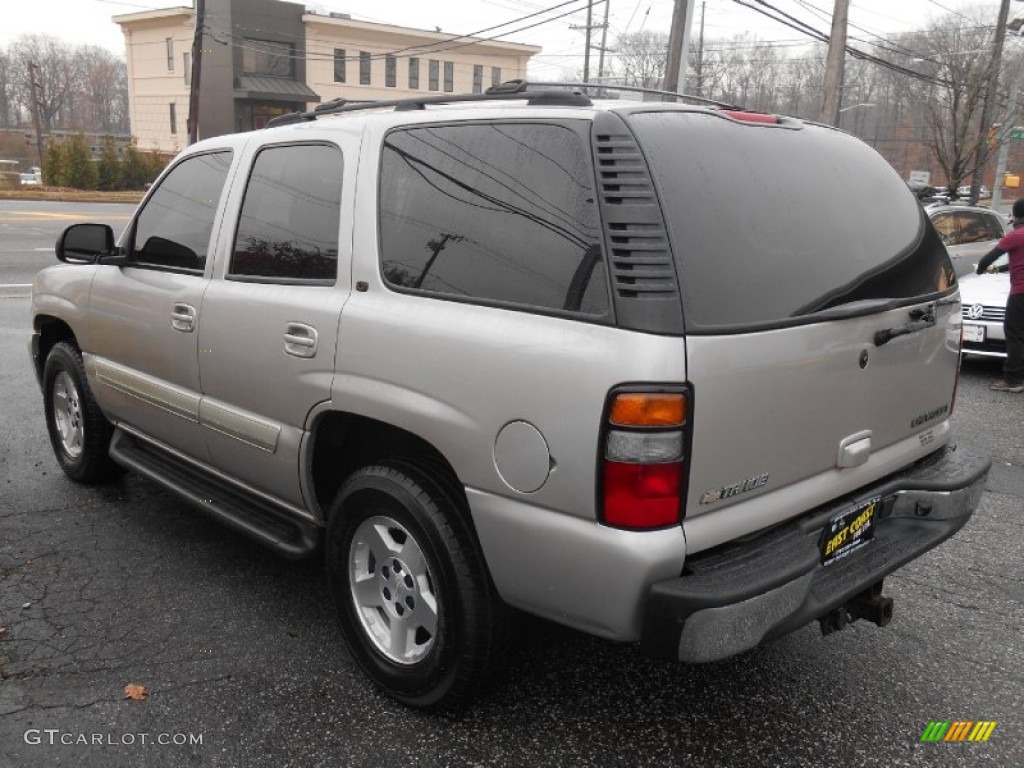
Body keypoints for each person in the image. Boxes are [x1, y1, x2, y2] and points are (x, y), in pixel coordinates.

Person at [975, 197, 1024, 392]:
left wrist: (980, 270)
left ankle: (1013, 380)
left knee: (1014, 335)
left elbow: (988, 258)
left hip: (1020, 293)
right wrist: (1000, 269)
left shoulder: (1015, 236)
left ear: (1016, 215)